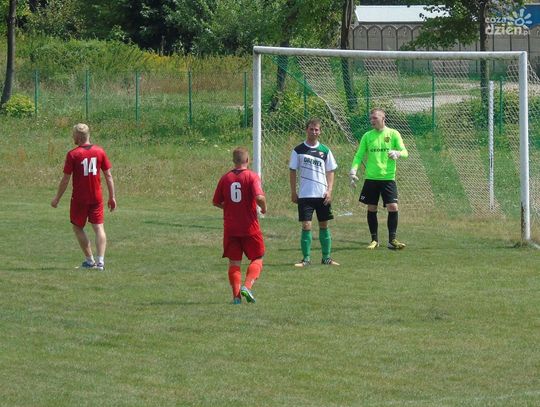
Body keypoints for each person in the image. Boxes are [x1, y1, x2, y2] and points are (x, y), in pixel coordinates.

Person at [51, 123, 116, 270]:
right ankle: (100, 262)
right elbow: (108, 175)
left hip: (80, 198)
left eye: (73, 135)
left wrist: (57, 198)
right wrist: (112, 197)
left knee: (77, 227)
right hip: (97, 197)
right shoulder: (100, 151)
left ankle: (90, 261)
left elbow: (65, 179)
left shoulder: (73, 154)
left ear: (78, 137)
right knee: (99, 227)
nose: (72, 137)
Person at [213, 147, 267, 304]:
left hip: (231, 228)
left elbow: (216, 202)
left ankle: (236, 297)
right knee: (258, 257)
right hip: (249, 227)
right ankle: (247, 287)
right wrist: (263, 208)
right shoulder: (251, 176)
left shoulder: (225, 178)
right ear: (248, 160)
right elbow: (259, 197)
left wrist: (229, 208)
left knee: (234, 262)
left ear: (233, 161)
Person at [349, 108, 408, 250]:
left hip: (388, 178)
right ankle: (374, 240)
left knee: (393, 206)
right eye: (371, 118)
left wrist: (398, 153)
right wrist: (353, 170)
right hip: (371, 178)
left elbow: (405, 152)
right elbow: (359, 155)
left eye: (375, 118)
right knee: (372, 207)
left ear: (383, 119)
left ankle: (392, 240)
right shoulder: (367, 136)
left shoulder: (393, 134)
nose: (372, 120)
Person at [289, 118, 339, 267]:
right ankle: (306, 259)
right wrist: (293, 192)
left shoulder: (325, 150)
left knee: (324, 225)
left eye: (316, 129)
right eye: (311, 129)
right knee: (306, 225)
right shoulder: (298, 150)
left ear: (320, 131)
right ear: (306, 130)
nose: (314, 132)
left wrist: (329, 191)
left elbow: (330, 171)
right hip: (305, 195)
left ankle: (326, 258)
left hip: (322, 195)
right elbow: (292, 171)